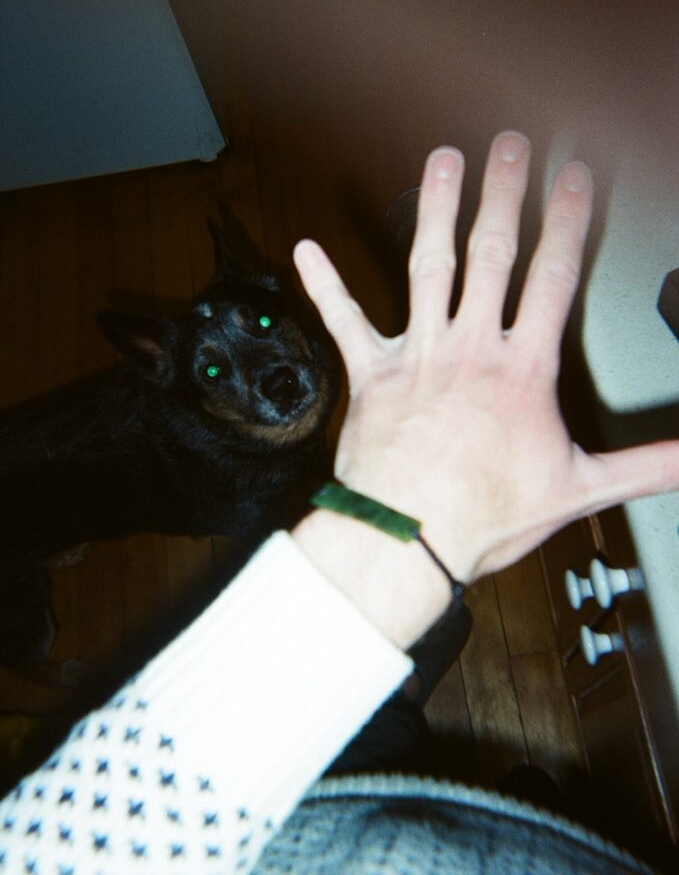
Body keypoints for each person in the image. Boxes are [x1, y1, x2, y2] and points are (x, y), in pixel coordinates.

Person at [2, 132, 677, 874]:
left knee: (442, 629)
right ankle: (29, 673)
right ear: (181, 383)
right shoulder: (215, 477)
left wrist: (392, 552)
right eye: (218, 370)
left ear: (276, 302)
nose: (266, 368)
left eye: (262, 324)